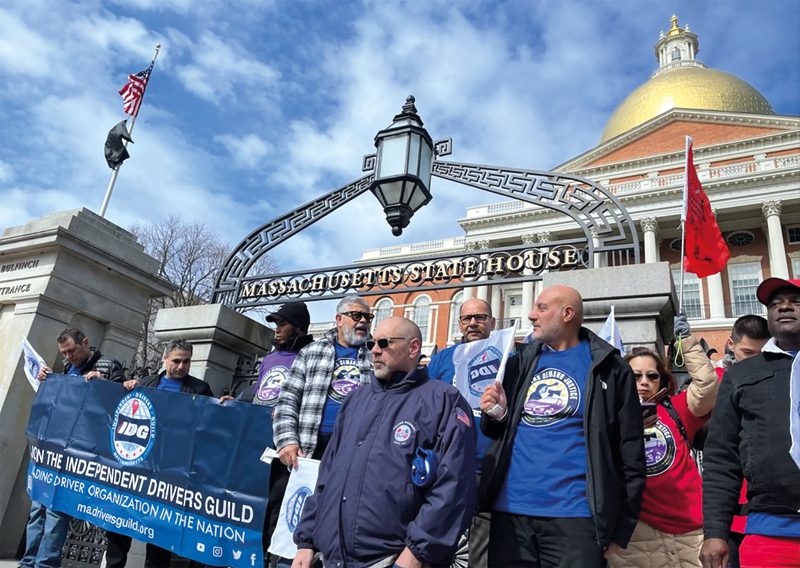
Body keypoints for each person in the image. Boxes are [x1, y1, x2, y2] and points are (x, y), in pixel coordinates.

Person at [479, 285, 645, 568]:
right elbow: (497, 431)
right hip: (510, 516)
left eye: (541, 308)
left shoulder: (611, 368)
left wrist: (622, 526)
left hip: (576, 518)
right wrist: (496, 413)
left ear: (568, 314)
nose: (531, 315)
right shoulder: (519, 363)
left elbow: (630, 452)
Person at [292, 317, 477, 568]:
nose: (374, 350)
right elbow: (326, 478)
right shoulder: (355, 400)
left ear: (413, 348)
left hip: (392, 559)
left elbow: (453, 487)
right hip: (331, 557)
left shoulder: (444, 400)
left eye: (383, 342)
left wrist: (415, 555)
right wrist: (306, 541)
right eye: (370, 344)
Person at [700, 277, 800, 568]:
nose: (784, 308)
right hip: (770, 534)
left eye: (795, 302)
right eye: (775, 304)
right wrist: (715, 532)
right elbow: (721, 458)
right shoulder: (741, 375)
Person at [606, 314, 718, 568]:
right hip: (636, 535)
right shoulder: (607, 417)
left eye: (652, 376)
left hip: (693, 527)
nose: (644, 382)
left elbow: (707, 385)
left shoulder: (676, 408)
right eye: (635, 376)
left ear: (662, 380)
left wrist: (686, 343)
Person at [21, 327, 125, 568]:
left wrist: (104, 384)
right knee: (37, 511)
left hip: (76, 455)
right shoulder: (67, 369)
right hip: (52, 450)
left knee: (56, 513)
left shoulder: (108, 366)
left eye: (71, 351)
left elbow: (121, 403)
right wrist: (48, 381)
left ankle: (45, 564)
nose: (68, 357)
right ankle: (28, 563)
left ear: (85, 343)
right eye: (64, 353)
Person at [221, 302, 314, 567]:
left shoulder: (311, 355)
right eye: (275, 325)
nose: (276, 330)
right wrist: (238, 401)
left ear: (298, 327)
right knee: (255, 506)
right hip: (258, 448)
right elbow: (260, 394)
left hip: (289, 448)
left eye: (282, 324)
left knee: (279, 508)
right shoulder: (269, 359)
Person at [107, 339, 212, 568]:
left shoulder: (200, 389)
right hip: (138, 467)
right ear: (165, 359)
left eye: (186, 361)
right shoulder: (146, 383)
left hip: (170, 473)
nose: (181, 366)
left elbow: (210, 427)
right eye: (176, 360)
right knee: (119, 528)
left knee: (160, 536)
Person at [427, 298, 497, 568]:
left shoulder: (509, 357)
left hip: (489, 466)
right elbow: (426, 407)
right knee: (439, 534)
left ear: (491, 322)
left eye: (480, 317)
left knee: (482, 547)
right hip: (447, 465)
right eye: (467, 318)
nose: (473, 323)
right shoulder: (442, 359)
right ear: (459, 323)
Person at [273, 295, 373, 469]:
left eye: (368, 317)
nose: (363, 321)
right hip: (309, 448)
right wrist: (286, 440)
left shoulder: (378, 354)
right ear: (339, 319)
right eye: (356, 316)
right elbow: (288, 400)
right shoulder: (311, 351)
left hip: (357, 450)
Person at [712, 314, 769, 568]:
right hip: (732, 509)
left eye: (762, 353)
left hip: (769, 510)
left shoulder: (779, 379)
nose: (755, 361)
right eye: (748, 352)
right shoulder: (717, 380)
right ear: (731, 345)